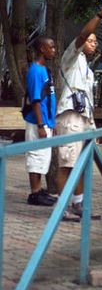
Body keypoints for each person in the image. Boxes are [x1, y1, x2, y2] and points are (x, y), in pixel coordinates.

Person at [56, 5, 102, 222]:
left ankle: (78, 204)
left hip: (83, 119)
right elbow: (82, 35)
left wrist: (93, 127)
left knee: (80, 162)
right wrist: (100, 15)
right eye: (91, 41)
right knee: (67, 163)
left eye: (95, 41)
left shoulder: (86, 68)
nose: (94, 44)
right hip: (70, 115)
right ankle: (61, 209)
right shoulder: (71, 56)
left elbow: (88, 101)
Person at [23, 37, 57, 206]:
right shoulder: (36, 71)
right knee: (36, 156)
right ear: (42, 49)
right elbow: (35, 100)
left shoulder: (45, 70)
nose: (54, 50)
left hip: (46, 121)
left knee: (43, 156)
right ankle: (35, 193)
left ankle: (38, 190)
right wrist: (41, 124)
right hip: (38, 122)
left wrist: (51, 123)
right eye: (51, 47)